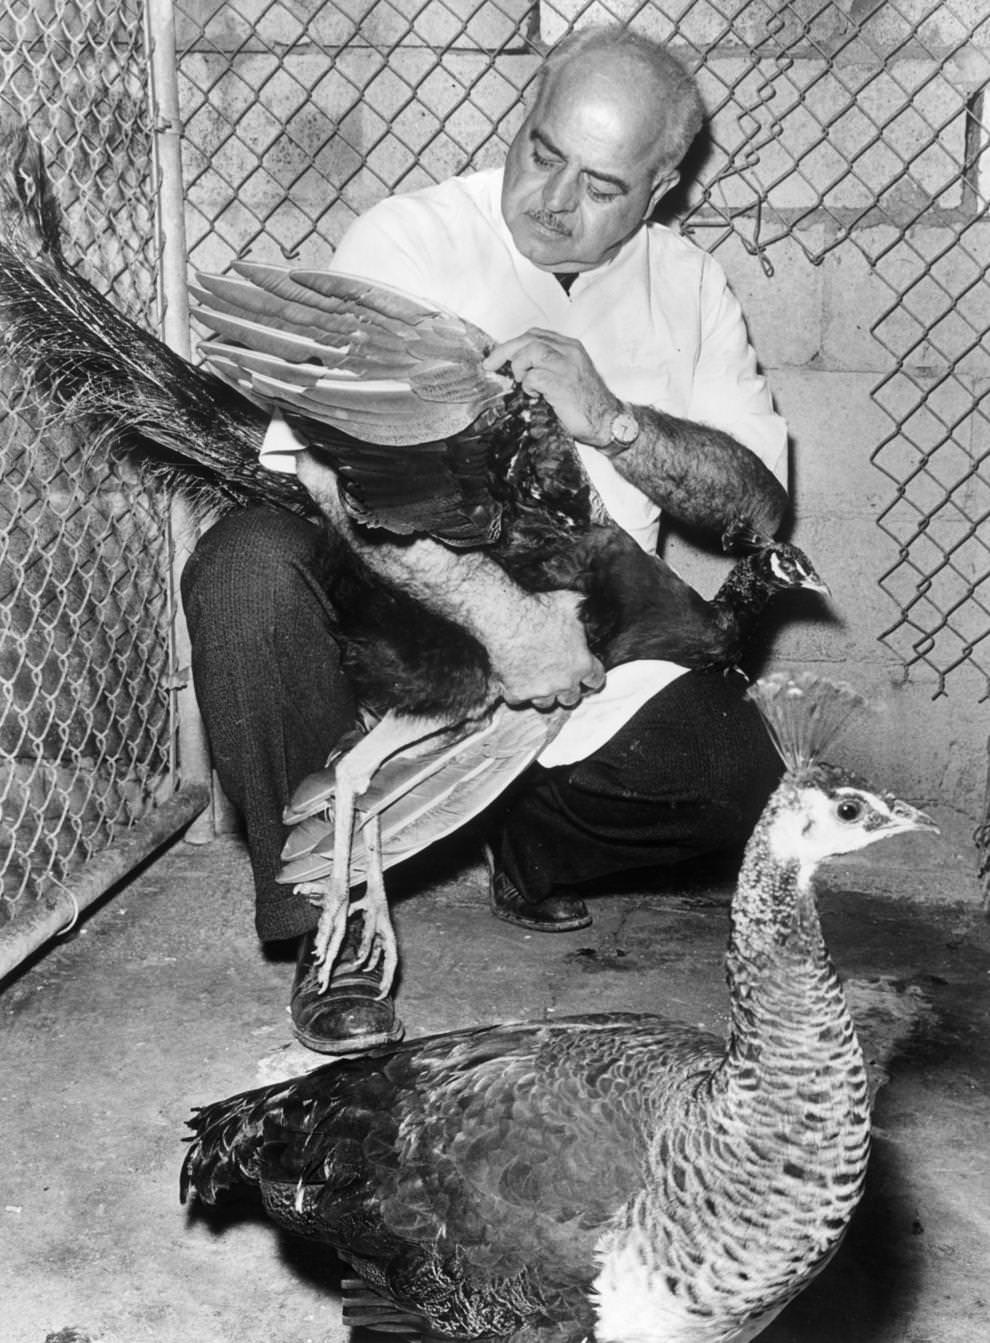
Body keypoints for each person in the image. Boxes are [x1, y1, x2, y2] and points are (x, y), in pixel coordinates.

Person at [181, 24, 789, 1057]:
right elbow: (327, 478)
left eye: (600, 184)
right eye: (541, 151)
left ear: (662, 188)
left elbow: (754, 513)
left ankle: (524, 840)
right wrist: (503, 619)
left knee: (741, 777)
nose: (551, 199)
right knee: (244, 562)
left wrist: (617, 421)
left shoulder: (689, 285)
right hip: (408, 592)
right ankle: (332, 919)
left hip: (593, 616)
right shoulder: (412, 238)